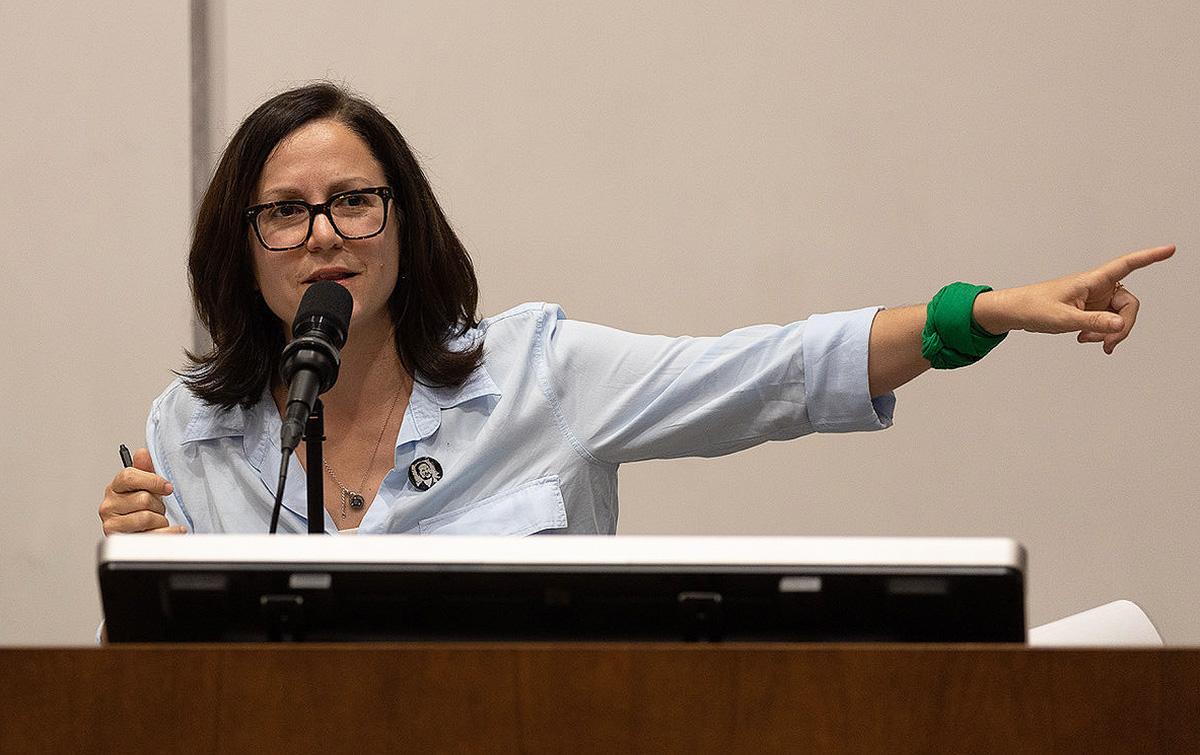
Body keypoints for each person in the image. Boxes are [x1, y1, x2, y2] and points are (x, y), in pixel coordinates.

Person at [98, 83, 1175, 536]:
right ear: (242, 248)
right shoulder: (188, 432)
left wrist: (974, 314)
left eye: (353, 201)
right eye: (284, 212)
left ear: (404, 224)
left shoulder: (536, 375)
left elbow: (772, 373)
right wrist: (140, 575)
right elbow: (161, 694)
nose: (324, 234)